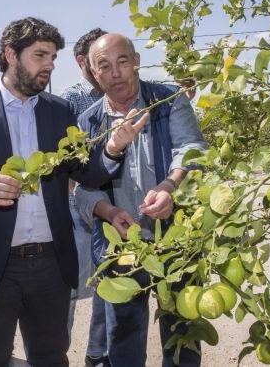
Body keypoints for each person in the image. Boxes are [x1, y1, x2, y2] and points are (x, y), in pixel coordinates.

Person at [0, 17, 148, 367]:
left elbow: (84, 172)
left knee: (51, 359)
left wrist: (112, 149)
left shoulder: (58, 111)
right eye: (40, 55)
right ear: (11, 54)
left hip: (49, 267)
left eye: (53, 57)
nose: (50, 65)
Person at [75, 33, 208, 367]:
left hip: (178, 241)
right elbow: (81, 187)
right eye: (103, 65)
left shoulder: (169, 100)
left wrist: (169, 186)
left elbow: (191, 150)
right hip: (121, 249)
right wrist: (108, 211)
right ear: (93, 72)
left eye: (122, 61)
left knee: (183, 336)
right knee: (123, 340)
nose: (115, 72)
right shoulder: (89, 122)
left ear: (136, 60)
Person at [59, 28, 110, 367]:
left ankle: (97, 354)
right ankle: (54, 354)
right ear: (83, 61)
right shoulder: (70, 99)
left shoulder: (125, 96)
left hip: (113, 208)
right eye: (100, 60)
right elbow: (63, 161)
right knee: (68, 290)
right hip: (77, 211)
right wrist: (79, 203)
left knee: (109, 287)